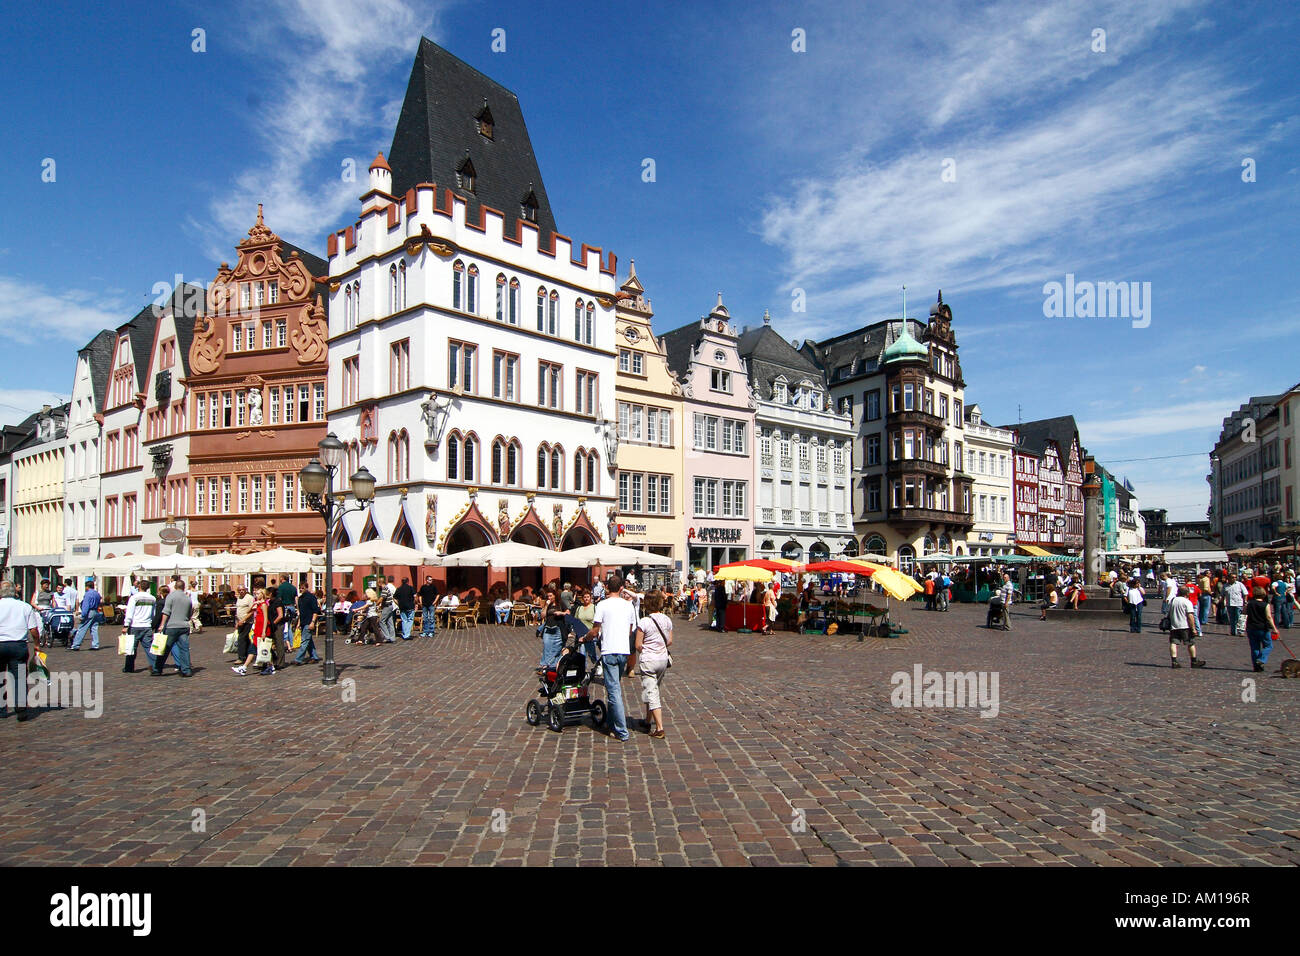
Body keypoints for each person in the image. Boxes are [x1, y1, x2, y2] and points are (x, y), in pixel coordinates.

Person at [582, 573, 636, 742]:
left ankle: (622, 731)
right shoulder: (628, 606)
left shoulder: (603, 605)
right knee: (614, 687)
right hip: (623, 651)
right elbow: (630, 630)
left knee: (614, 692)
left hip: (609, 651)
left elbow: (595, 630)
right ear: (621, 588)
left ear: (607, 587)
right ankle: (612, 724)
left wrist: (585, 637)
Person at [0, 580, 41, 721]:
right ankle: (21, 709)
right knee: (19, 677)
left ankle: (1, 709)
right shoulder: (24, 606)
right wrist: (37, 644)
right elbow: (34, 630)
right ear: (14, 591)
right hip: (18, 645)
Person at [634, 590, 673, 739]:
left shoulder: (644, 621)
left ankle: (660, 728)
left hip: (649, 660)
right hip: (662, 660)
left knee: (651, 692)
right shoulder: (667, 620)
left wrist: (647, 648)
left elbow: (638, 644)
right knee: (652, 689)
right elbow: (669, 641)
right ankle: (647, 719)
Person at [154, 580, 195, 677]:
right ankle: (186, 670)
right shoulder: (187, 598)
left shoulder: (171, 596)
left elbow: (166, 611)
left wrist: (162, 625)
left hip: (172, 626)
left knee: (165, 648)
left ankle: (157, 669)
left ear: (175, 586)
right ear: (184, 587)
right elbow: (190, 614)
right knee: (184, 649)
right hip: (184, 626)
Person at [1166, 585, 1205, 669]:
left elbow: (1168, 613)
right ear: (1187, 593)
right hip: (1185, 626)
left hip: (1174, 626)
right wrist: (1193, 628)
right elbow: (1190, 616)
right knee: (1191, 643)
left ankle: (1174, 661)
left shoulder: (1173, 600)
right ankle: (1194, 661)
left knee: (1173, 643)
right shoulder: (1187, 602)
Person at [120, 585, 157, 673]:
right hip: (147, 625)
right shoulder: (152, 598)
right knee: (149, 648)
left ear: (139, 587)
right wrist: (150, 621)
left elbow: (129, 612)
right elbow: (153, 613)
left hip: (135, 626)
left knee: (131, 647)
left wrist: (126, 625)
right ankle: (156, 667)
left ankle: (129, 668)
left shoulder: (134, 598)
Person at [534, 586, 570, 674]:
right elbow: (542, 615)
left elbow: (568, 612)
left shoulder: (560, 603)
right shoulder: (548, 605)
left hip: (557, 628)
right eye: (548, 596)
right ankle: (546, 665)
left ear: (555, 595)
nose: (549, 598)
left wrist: (561, 613)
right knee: (546, 647)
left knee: (556, 648)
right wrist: (546, 605)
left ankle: (551, 667)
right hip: (548, 628)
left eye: (551, 596)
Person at [1244, 586, 1278, 673]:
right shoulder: (1265, 605)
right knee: (1268, 646)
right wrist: (1274, 628)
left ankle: (1256, 666)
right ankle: (1261, 660)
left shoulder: (1249, 604)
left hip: (1251, 627)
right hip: (1262, 628)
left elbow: (1244, 612)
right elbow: (1268, 617)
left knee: (1255, 648)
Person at [70, 577, 103, 651]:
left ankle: (76, 645)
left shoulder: (88, 594)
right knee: (94, 628)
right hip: (96, 611)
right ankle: (95, 644)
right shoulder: (97, 593)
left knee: (82, 628)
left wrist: (83, 615)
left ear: (87, 587)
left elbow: (86, 605)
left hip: (89, 612)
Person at [295, 587, 321, 664]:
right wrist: (299, 623)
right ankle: (314, 656)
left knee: (305, 640)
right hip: (303, 621)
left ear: (306, 588)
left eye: (302, 588)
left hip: (309, 621)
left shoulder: (311, 597)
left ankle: (298, 659)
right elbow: (301, 612)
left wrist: (313, 622)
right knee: (308, 640)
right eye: (300, 588)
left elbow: (315, 611)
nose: (301, 589)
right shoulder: (300, 598)